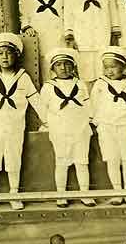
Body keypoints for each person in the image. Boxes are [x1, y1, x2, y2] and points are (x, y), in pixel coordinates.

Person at [0, 33, 44, 211]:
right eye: (1, 53)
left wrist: (47, 120)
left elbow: (35, 100)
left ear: (16, 55)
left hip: (14, 127)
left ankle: (14, 195)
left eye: (9, 53)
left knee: (14, 161)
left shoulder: (23, 77)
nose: (5, 57)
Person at [39, 48, 94, 208]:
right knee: (62, 162)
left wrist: (89, 120)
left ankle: (85, 194)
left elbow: (88, 104)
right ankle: (61, 195)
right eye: (59, 65)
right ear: (53, 68)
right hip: (60, 130)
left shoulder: (80, 84)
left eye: (67, 64)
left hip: (80, 129)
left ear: (73, 66)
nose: (63, 68)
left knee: (82, 162)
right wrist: (48, 125)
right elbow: (43, 108)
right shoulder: (49, 87)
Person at [90, 47, 126, 205]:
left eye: (113, 66)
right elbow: (93, 104)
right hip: (107, 126)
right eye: (106, 67)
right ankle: (117, 191)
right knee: (112, 159)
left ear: (123, 66)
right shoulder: (100, 83)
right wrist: (96, 121)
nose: (109, 71)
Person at [63, 0, 120, 85]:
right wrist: (69, 36)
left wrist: (114, 33)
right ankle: (89, 104)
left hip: (103, 35)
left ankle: (104, 104)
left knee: (105, 74)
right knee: (86, 75)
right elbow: (68, 13)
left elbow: (113, 10)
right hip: (82, 37)